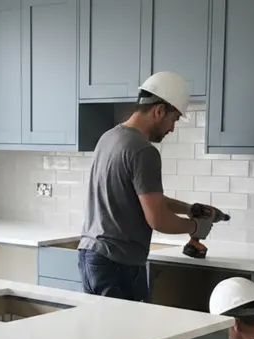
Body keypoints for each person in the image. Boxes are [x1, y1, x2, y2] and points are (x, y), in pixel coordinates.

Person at [77, 71, 214, 302]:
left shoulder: (109, 137)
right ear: (159, 110)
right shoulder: (144, 151)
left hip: (93, 257)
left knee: (106, 334)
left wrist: (189, 208)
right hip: (119, 264)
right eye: (174, 119)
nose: (172, 128)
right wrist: (195, 228)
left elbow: (141, 196)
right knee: (128, 335)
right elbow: (158, 219)